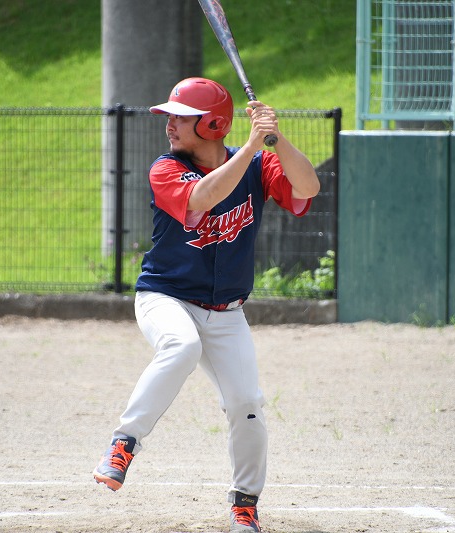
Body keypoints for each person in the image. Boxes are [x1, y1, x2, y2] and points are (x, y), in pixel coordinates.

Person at [92, 77, 320, 533]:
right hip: (165, 297)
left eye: (181, 117)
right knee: (181, 346)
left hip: (227, 311)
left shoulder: (256, 164)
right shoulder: (166, 168)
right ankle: (124, 442)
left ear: (213, 125)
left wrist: (275, 138)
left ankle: (245, 505)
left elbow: (308, 186)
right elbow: (204, 197)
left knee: (247, 404)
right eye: (170, 117)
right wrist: (252, 147)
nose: (169, 125)